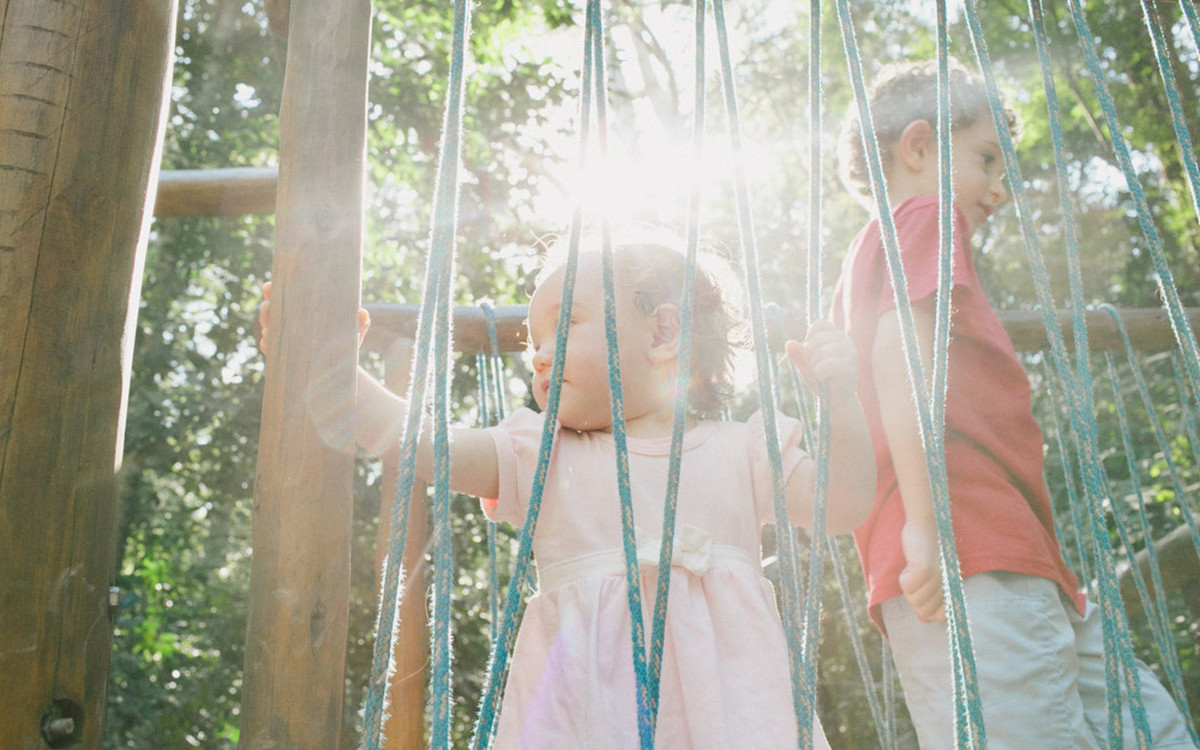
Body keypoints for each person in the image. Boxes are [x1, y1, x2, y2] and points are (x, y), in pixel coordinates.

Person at [261, 239, 876, 748]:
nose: (537, 356)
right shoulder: (544, 453)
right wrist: (329, 370)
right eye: (531, 340)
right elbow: (425, 446)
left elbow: (844, 503)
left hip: (738, 717)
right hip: (586, 713)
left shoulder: (742, 450)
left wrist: (842, 400)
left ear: (663, 331)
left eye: (563, 326)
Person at [830, 59, 1193, 748]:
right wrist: (926, 526)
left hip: (1009, 556)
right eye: (987, 159)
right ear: (917, 147)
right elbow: (899, 357)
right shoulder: (925, 216)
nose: (1000, 188)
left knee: (1154, 727)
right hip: (964, 550)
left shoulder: (871, 254)